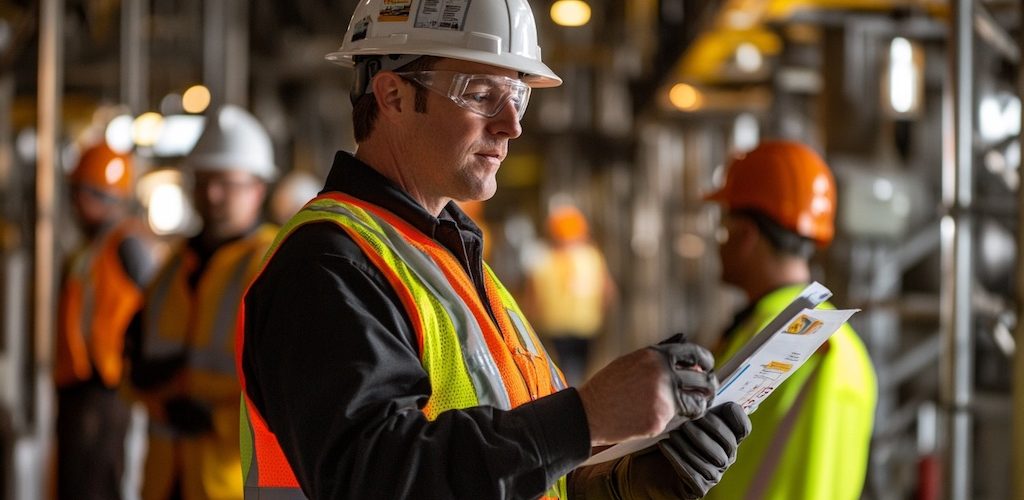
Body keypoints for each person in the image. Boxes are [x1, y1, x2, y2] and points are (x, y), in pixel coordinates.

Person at [238, 0, 751, 498]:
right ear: (392, 96)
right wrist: (584, 417)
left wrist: (635, 481)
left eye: (518, 97)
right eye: (482, 94)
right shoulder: (330, 264)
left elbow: (515, 477)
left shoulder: (453, 262)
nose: (512, 124)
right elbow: (377, 478)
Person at [702, 140, 878, 500]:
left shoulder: (763, 339)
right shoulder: (846, 347)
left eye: (724, 227)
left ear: (746, 236)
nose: (719, 243)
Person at [128, 105, 278, 500]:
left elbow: (288, 392)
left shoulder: (272, 264)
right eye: (202, 181)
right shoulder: (173, 265)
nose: (211, 194)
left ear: (258, 188)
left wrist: (215, 421)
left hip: (228, 483)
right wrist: (137, 379)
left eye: (225, 183)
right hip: (164, 479)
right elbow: (134, 357)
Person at [55, 141, 155, 499]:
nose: (72, 202)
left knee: (96, 483)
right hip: (79, 382)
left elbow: (157, 303)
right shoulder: (91, 245)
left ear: (98, 193)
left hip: (106, 385)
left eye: (78, 191)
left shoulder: (126, 243)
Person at [524, 204, 616, 386]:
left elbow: (531, 297)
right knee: (576, 367)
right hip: (580, 325)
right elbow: (608, 292)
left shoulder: (542, 259)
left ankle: (568, 393)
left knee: (563, 368)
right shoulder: (591, 256)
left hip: (560, 326)